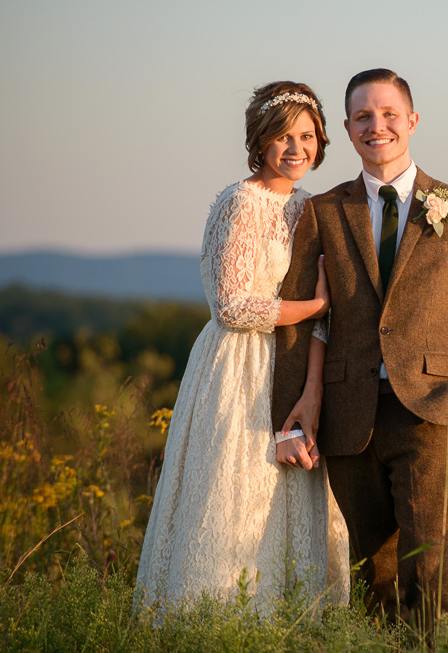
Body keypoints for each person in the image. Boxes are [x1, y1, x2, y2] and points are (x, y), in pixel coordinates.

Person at [272, 68, 448, 627]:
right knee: (371, 578)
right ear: (350, 132)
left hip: (429, 414)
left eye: (387, 115)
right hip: (348, 419)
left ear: (411, 122)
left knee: (428, 571)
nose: (375, 126)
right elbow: (295, 324)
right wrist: (288, 422)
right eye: (362, 117)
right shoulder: (323, 211)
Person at [135, 81, 349, 612]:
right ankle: (215, 618)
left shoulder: (313, 209)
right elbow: (231, 305)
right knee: (233, 499)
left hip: (295, 366)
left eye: (307, 136)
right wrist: (314, 309)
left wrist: (313, 377)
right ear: (259, 141)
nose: (296, 148)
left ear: (321, 141)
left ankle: (292, 623)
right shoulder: (240, 202)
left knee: (293, 498)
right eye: (282, 136)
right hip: (238, 367)